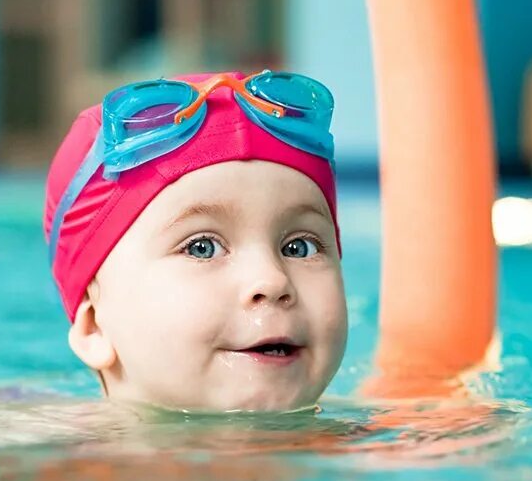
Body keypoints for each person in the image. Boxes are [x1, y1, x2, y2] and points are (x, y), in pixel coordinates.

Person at [43, 70, 346, 413]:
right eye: (201, 247)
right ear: (95, 326)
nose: (272, 280)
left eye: (298, 247)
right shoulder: (46, 453)